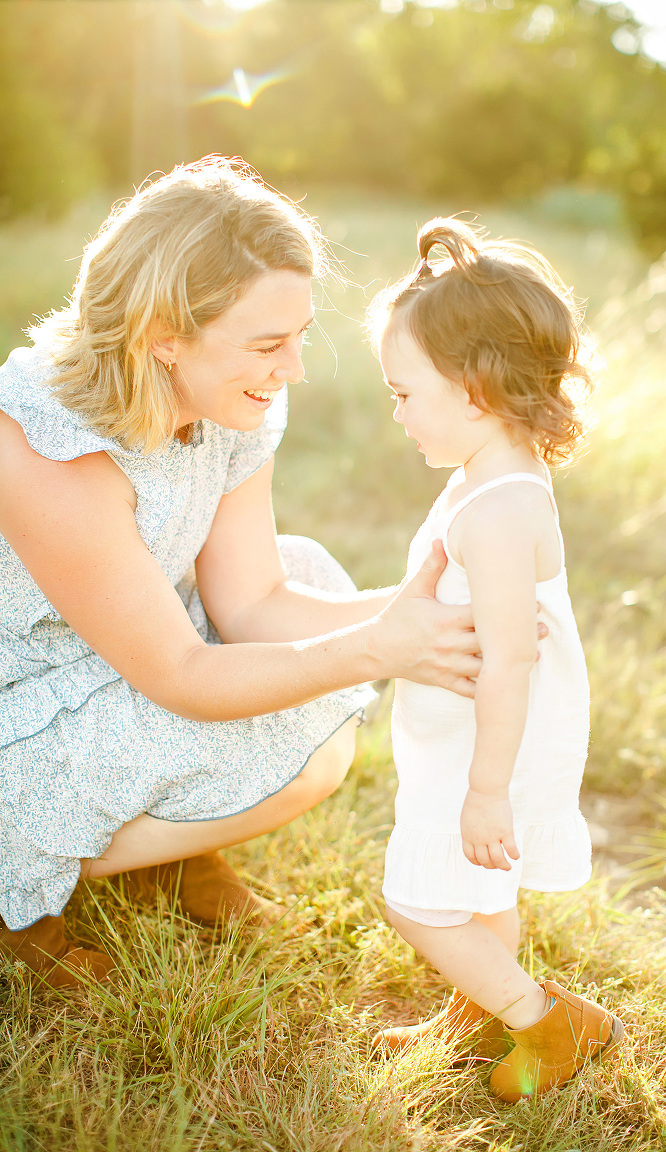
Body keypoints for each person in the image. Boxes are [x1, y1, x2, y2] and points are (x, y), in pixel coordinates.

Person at [0, 159, 486, 989]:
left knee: (310, 581)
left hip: (115, 656)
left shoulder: (226, 397)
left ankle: (172, 852)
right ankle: (19, 888)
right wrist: (380, 648)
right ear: (162, 335)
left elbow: (253, 598)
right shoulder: (46, 444)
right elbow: (181, 673)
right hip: (24, 702)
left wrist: (426, 612)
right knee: (311, 713)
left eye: (298, 336)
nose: (293, 368)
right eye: (267, 344)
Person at [367, 218, 624, 1102]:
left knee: (418, 900)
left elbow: (512, 661)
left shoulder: (500, 509)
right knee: (479, 893)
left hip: (494, 744)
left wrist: (485, 789)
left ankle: (548, 1023)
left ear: (473, 389)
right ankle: (478, 1009)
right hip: (470, 734)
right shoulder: (485, 476)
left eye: (404, 393)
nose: (394, 411)